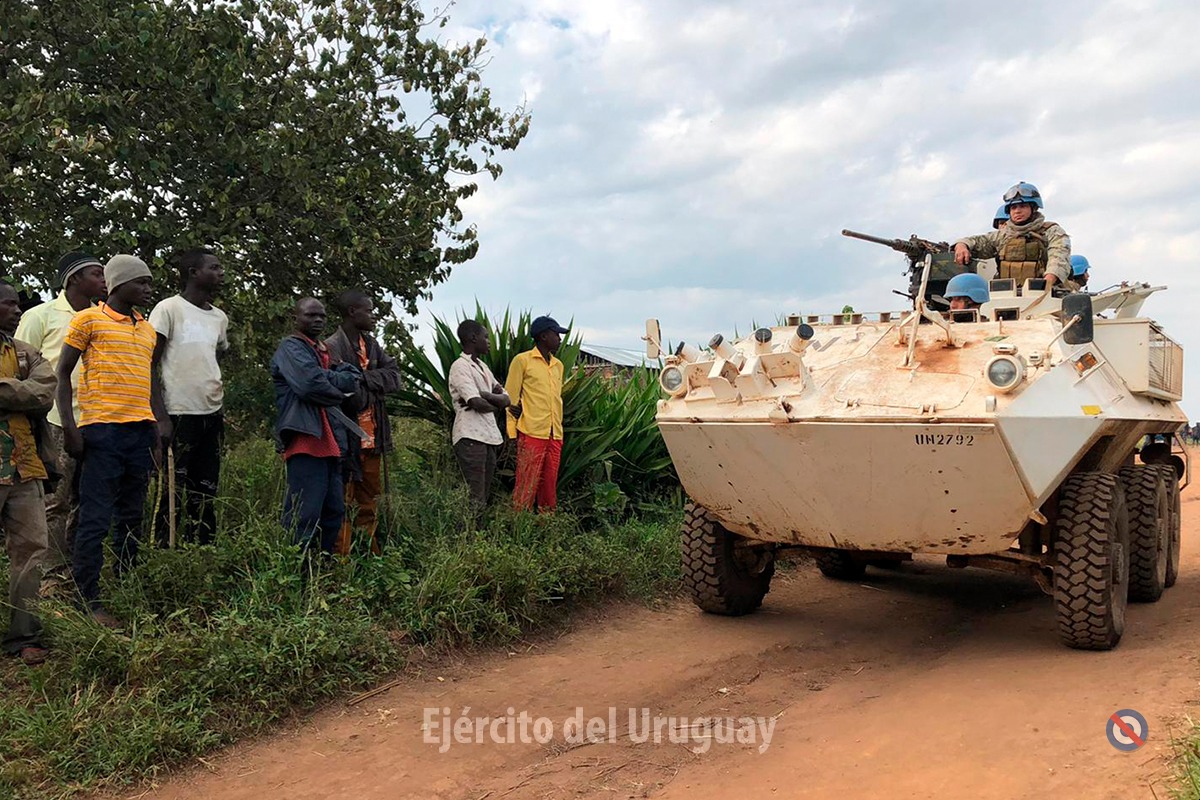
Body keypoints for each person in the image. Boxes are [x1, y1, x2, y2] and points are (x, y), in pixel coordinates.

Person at [57, 255, 167, 629]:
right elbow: (62, 374)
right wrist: (72, 428)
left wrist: (159, 424)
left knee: (132, 515)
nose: (149, 289)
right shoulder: (88, 320)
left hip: (140, 431)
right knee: (95, 518)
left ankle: (128, 586)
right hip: (101, 430)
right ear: (120, 285)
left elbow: (150, 379)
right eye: (143, 283)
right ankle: (87, 598)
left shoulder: (147, 329)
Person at [15, 252, 107, 576]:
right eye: (97, 274)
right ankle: (51, 572)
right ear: (74, 279)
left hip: (96, 419)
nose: (105, 280)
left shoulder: (104, 317)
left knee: (86, 500)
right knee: (56, 500)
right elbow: (20, 367)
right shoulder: (43, 315)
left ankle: (76, 570)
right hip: (56, 420)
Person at [149, 248, 229, 546]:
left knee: (206, 488)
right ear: (194, 272)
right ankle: (165, 550)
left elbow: (214, 357)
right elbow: (150, 364)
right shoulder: (168, 309)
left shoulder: (219, 318)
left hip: (211, 412)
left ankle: (203, 548)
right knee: (172, 488)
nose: (221, 273)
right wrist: (161, 416)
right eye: (214, 267)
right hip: (178, 412)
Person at [271, 298, 361, 555]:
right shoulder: (291, 348)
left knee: (333, 512)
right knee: (304, 514)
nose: (318, 320)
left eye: (321, 316)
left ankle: (320, 571)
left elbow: (352, 377)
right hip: (305, 441)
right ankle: (294, 572)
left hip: (330, 441)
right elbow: (309, 384)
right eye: (311, 315)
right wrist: (339, 390)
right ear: (295, 318)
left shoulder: (321, 351)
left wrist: (335, 383)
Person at [0, 283, 57, 665]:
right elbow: (31, 392)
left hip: (25, 465)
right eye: (8, 303)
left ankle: (24, 637)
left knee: (32, 551)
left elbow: (45, 391)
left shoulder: (24, 351)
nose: (17, 309)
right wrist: (22, 391)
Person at [324, 290, 399, 555]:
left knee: (369, 502)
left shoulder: (372, 345)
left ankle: (370, 556)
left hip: (373, 439)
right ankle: (340, 563)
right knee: (342, 502)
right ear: (352, 312)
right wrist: (371, 384)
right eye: (368, 310)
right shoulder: (331, 347)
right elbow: (351, 398)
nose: (373, 315)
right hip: (346, 440)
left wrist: (364, 378)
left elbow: (395, 378)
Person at [954, 182, 1071, 286]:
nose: (1017, 211)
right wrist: (962, 245)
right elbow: (980, 242)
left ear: (1034, 208)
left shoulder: (1052, 231)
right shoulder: (1003, 235)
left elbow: (1059, 257)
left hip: (1045, 293)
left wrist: (1049, 280)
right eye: (1013, 207)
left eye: (1023, 206)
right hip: (1006, 294)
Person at [505, 315, 567, 512]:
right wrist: (512, 433)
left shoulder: (558, 365)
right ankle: (519, 524)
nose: (559, 339)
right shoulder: (522, 361)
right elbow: (511, 397)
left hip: (554, 433)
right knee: (526, 483)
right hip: (531, 431)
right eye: (556, 334)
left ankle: (546, 524)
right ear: (543, 336)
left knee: (549, 484)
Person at [448, 319, 509, 516]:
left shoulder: (482, 366)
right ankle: (469, 538)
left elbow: (506, 398)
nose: (489, 341)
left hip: (487, 435)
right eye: (485, 337)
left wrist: (486, 396)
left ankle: (476, 536)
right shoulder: (460, 366)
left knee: (484, 493)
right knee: (475, 495)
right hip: (470, 437)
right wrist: (492, 402)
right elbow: (475, 403)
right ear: (473, 338)